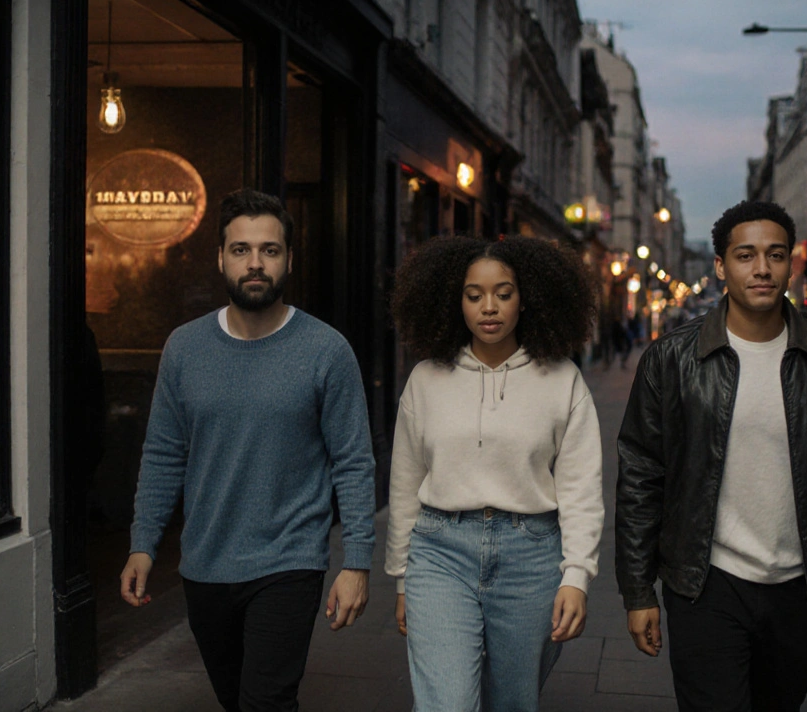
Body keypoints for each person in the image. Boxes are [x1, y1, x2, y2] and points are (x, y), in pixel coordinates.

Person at [615, 200, 807, 711]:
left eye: (775, 254)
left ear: (792, 263)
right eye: (745, 255)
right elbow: (640, 476)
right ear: (721, 266)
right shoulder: (673, 359)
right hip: (703, 585)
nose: (761, 268)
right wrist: (637, 592)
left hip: (798, 587)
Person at [120, 188, 376, 712]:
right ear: (220, 258)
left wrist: (357, 562)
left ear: (288, 260)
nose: (255, 263)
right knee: (237, 700)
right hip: (206, 563)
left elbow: (352, 460)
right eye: (241, 250)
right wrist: (143, 542)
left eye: (270, 250)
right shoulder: (185, 347)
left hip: (289, 559)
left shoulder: (326, 350)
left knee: (266, 702)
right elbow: (164, 453)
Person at [386, 235, 605, 711]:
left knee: (512, 703)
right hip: (440, 552)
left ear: (526, 300)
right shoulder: (425, 378)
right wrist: (402, 578)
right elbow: (404, 483)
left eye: (504, 294)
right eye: (474, 295)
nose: (490, 307)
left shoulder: (562, 378)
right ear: (456, 301)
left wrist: (576, 576)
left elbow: (581, 488)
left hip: (532, 556)